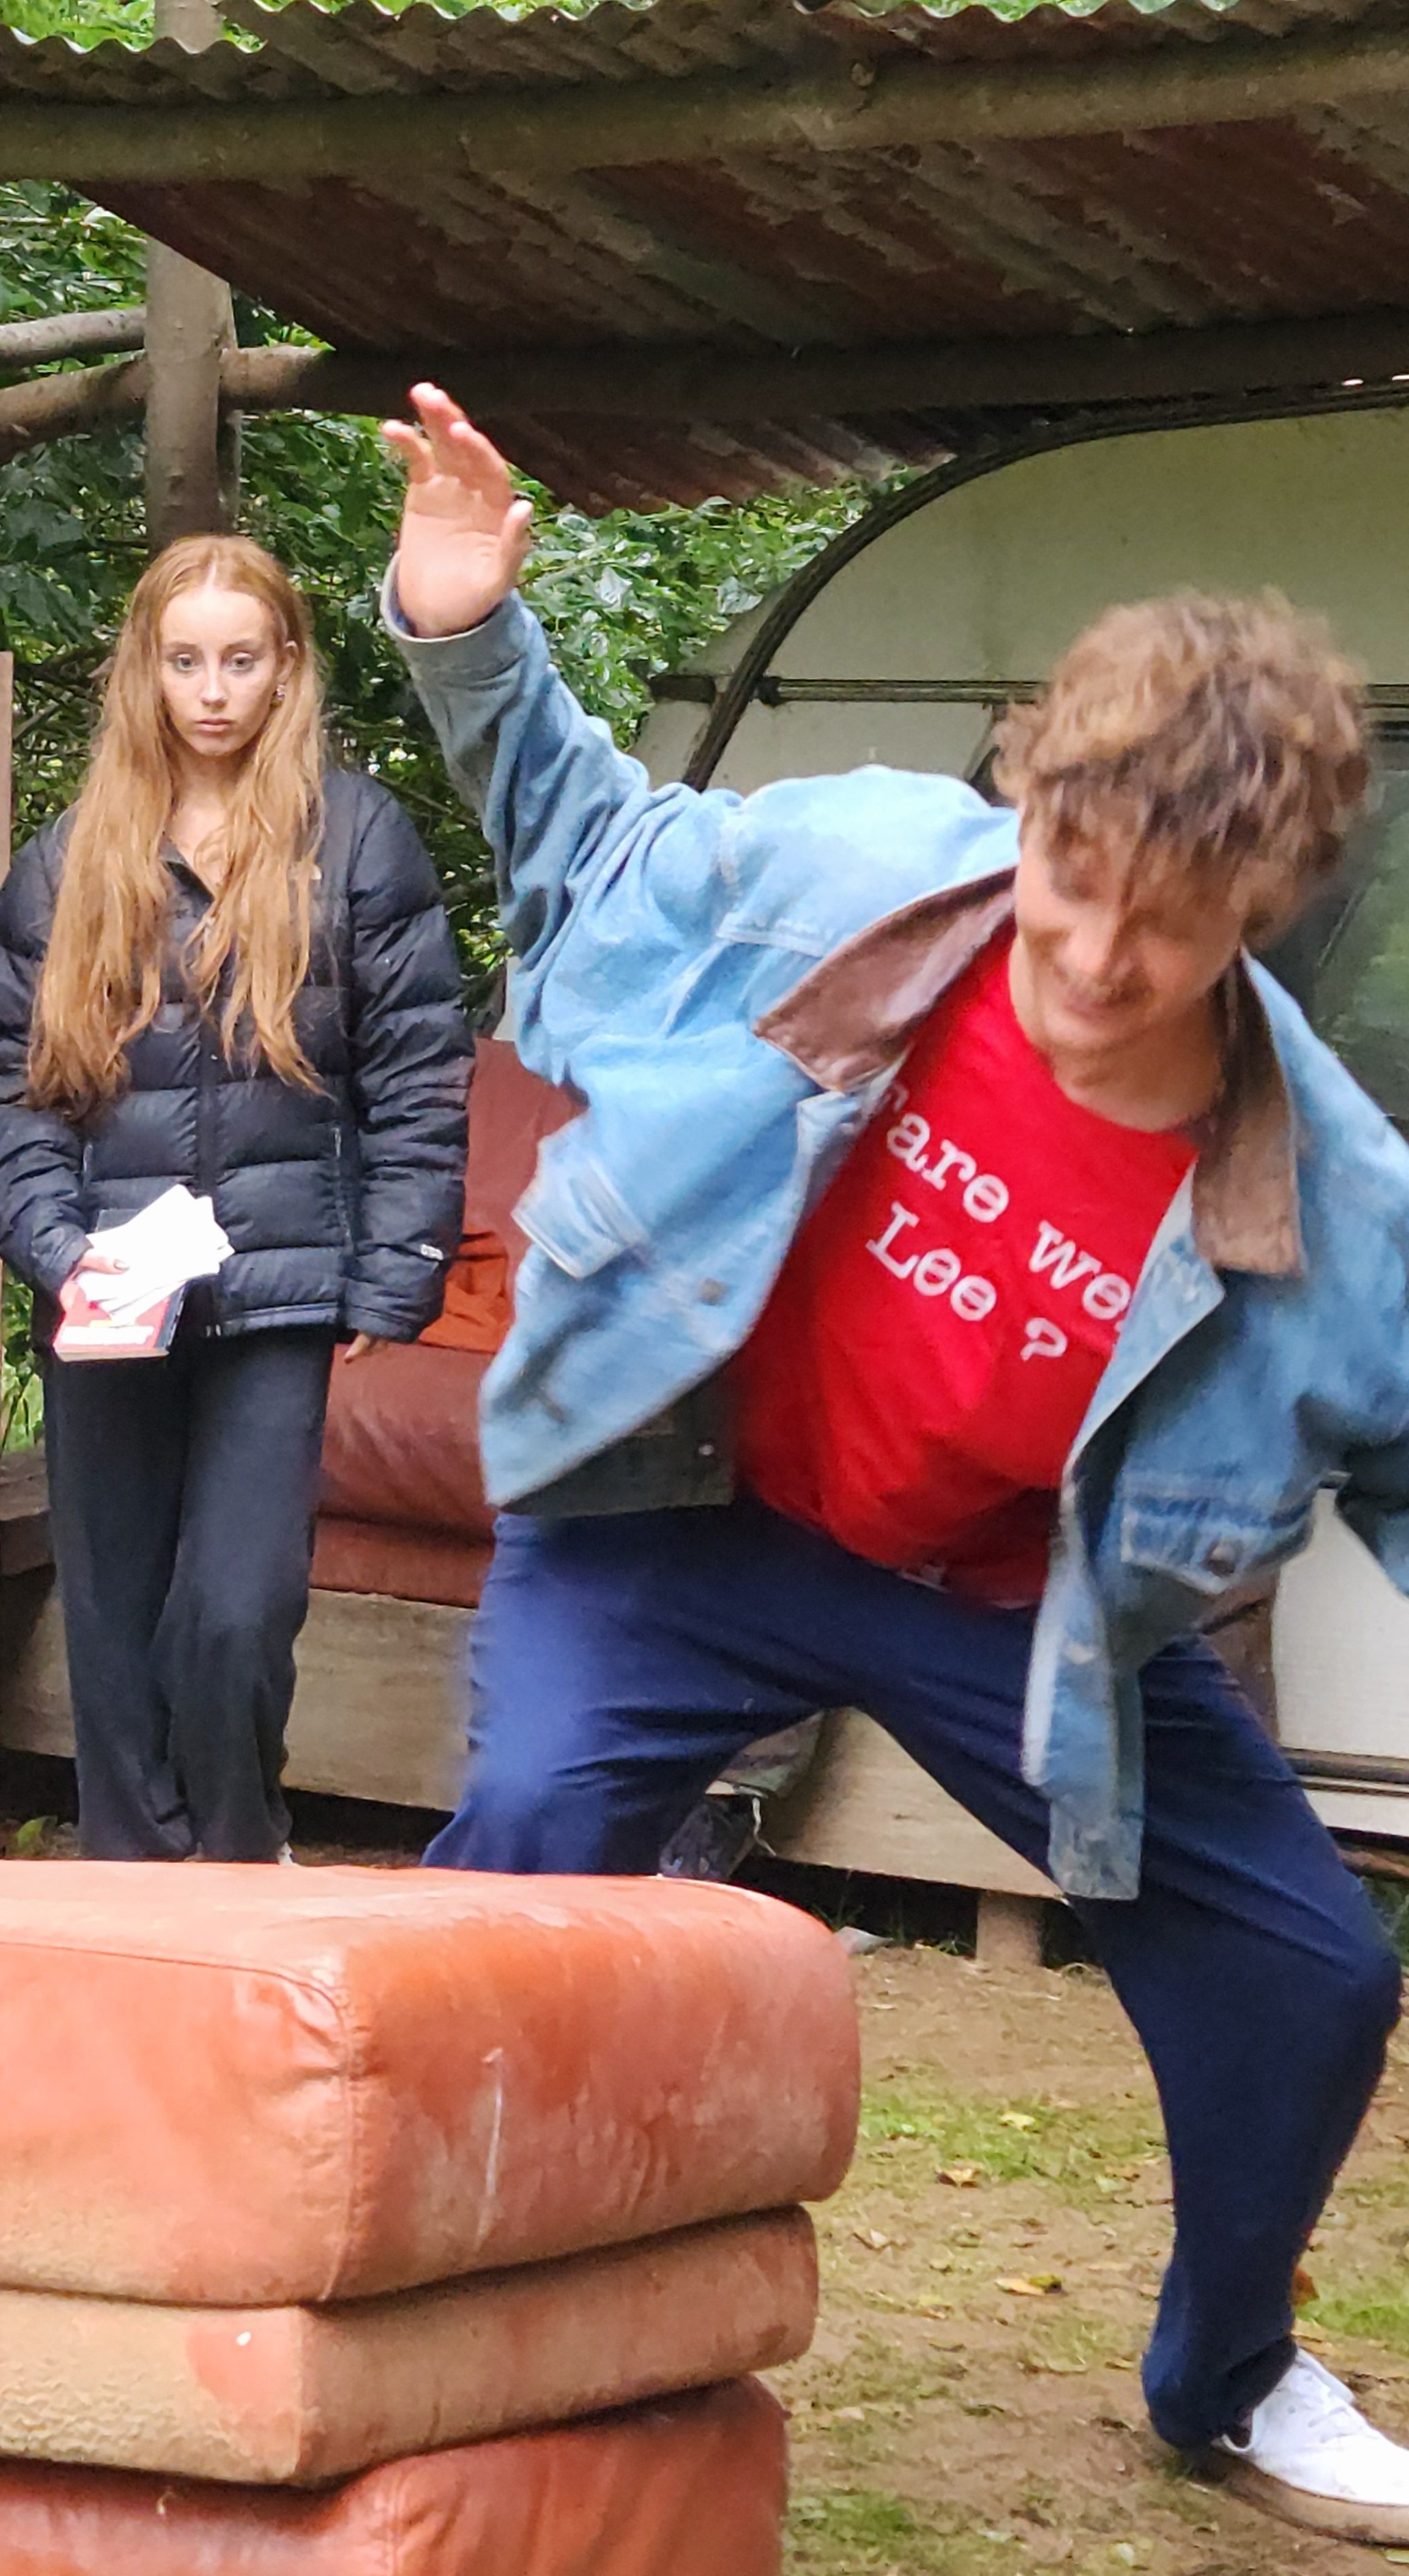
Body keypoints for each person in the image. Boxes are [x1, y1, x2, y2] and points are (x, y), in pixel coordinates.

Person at [384, 380, 1409, 2543]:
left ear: (1269, 917)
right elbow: (583, 844)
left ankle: (1227, 2378)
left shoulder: (1344, 1208)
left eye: (1170, 931)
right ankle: (416, 2328)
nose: (1092, 963)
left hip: (1010, 1611)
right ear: (1024, 803)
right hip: (684, 1512)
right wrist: (470, 628)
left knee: (1314, 1972)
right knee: (520, 1866)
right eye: (1071, 880)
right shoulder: (861, 875)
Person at [0, 534, 471, 1862]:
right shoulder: (70, 862)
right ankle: (132, 1889)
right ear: (146, 673)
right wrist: (56, 1251)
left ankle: (243, 1865)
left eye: (241, 660)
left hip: (277, 1292)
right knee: (115, 1637)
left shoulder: (355, 843)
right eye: (185, 661)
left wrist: (395, 1269)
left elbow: (420, 1076)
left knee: (235, 1615)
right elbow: (4, 1087)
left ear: (287, 667)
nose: (213, 690)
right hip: (109, 1306)